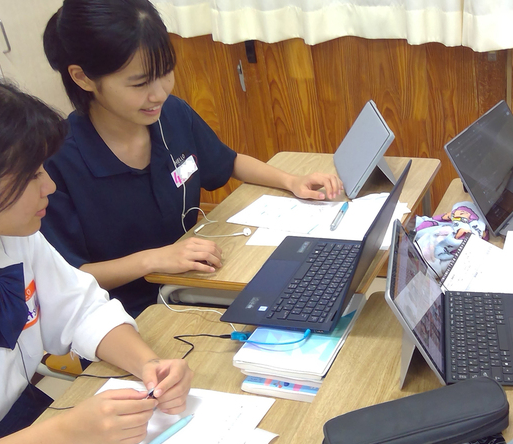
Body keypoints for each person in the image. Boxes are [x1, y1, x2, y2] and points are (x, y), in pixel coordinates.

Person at [0, 72, 194, 444]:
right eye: (29, 175)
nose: (49, 186)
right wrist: (65, 431)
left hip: (28, 427)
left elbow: (84, 310)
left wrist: (150, 365)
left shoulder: (10, 232)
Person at [41, 0, 343, 316]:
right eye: (141, 83)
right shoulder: (56, 163)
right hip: (119, 317)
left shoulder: (171, 115)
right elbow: (66, 278)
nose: (159, 93)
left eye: (166, 73)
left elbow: (227, 161)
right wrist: (154, 259)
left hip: (191, 286)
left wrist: (290, 180)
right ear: (83, 78)